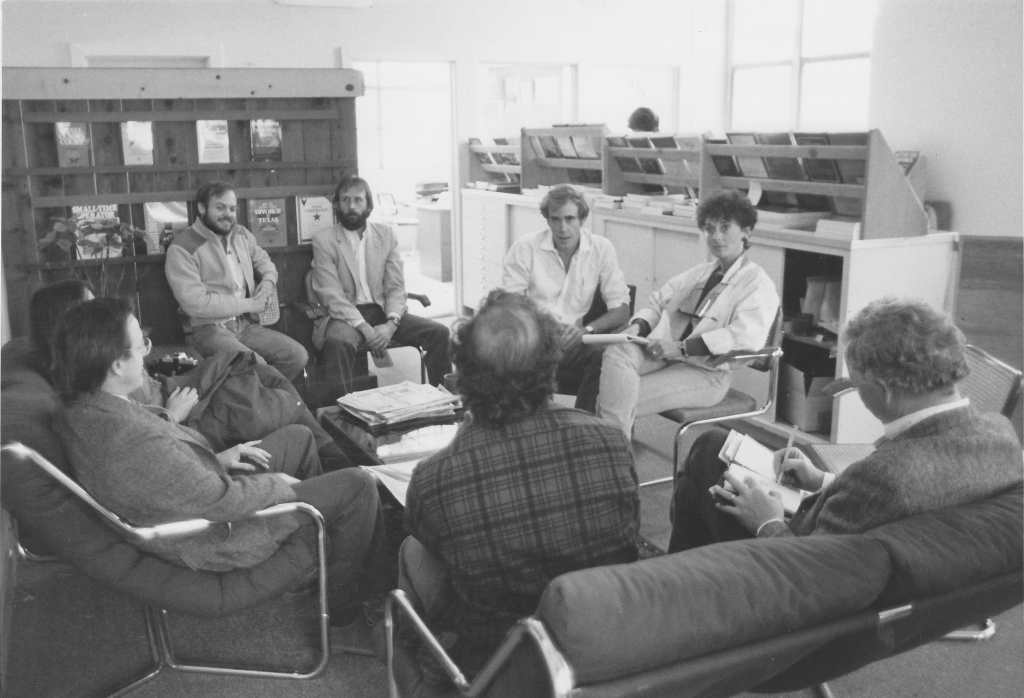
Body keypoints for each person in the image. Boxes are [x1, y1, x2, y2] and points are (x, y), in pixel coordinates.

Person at [50, 297, 392, 647]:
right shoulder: (124, 438)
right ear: (116, 365)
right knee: (358, 485)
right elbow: (219, 501)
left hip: (201, 490)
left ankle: (324, 560)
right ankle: (344, 601)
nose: (146, 353)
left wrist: (220, 457)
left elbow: (168, 471)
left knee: (298, 438)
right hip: (218, 533)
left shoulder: (90, 408)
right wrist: (278, 486)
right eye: (141, 346)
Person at [401, 289, 640, 684]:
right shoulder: (613, 441)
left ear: (463, 377)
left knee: (413, 548)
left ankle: (425, 667)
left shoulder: (434, 476)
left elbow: (435, 542)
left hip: (497, 649)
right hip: (599, 636)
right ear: (551, 363)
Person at [669, 297, 1024, 552]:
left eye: (855, 383)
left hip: (790, 566)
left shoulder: (887, 475)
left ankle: (678, 592)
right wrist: (821, 481)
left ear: (884, 390)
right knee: (703, 473)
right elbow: (901, 494)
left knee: (708, 454)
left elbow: (811, 575)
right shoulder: (1001, 436)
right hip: (909, 558)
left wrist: (767, 522)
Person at [16, 279, 358, 472]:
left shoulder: (84, 370)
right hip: (184, 413)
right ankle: (343, 467)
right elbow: (147, 432)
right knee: (272, 392)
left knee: (258, 369)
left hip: (173, 392)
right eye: (88, 307)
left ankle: (339, 465)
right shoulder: (90, 380)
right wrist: (172, 415)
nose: (97, 311)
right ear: (67, 322)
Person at [589, 189, 780, 436]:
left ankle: (613, 467)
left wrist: (680, 347)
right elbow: (658, 305)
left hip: (706, 374)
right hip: (669, 357)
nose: (716, 237)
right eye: (710, 229)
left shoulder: (757, 284)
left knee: (613, 403)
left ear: (746, 231)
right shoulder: (699, 274)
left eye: (725, 228)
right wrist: (638, 327)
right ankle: (614, 463)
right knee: (618, 352)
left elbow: (743, 340)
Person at [311, 175, 451, 393]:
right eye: (345, 200)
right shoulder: (324, 240)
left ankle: (443, 399)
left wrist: (391, 324)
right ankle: (341, 411)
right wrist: (366, 329)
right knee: (338, 343)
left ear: (368, 205)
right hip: (345, 317)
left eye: (358, 200)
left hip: (383, 311)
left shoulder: (385, 235)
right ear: (337, 204)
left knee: (439, 333)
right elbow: (331, 295)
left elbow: (395, 286)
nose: (351, 207)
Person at [501, 184, 631, 412]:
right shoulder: (525, 248)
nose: (563, 228)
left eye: (570, 219)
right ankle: (530, 426)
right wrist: (547, 326)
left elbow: (621, 309)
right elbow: (511, 304)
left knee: (606, 357)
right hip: (535, 337)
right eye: (555, 219)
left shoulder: (602, 249)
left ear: (582, 219)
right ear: (547, 220)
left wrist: (587, 331)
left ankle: (583, 425)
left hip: (576, 340)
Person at [165, 181, 308, 384]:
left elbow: (266, 263)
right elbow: (195, 303)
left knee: (296, 355)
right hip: (207, 329)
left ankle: (265, 406)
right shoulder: (181, 248)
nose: (228, 214)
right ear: (202, 208)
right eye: (220, 207)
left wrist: (268, 282)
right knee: (256, 366)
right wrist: (250, 304)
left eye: (232, 208)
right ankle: (264, 407)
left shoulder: (241, 235)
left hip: (245, 324)